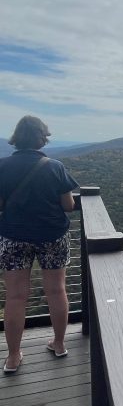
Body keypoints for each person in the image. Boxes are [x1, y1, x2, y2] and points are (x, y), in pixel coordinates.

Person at [0, 116, 78, 373]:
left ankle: (12, 357)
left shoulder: (3, 166)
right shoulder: (54, 166)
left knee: (15, 296)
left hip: (13, 237)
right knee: (56, 290)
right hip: (52, 235)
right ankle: (58, 344)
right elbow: (68, 205)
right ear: (41, 137)